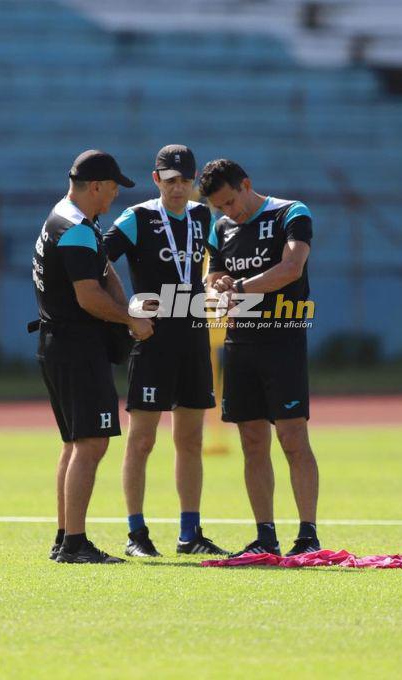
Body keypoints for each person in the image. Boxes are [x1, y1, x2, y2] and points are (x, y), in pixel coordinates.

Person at [104, 145, 228, 557]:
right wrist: (125, 312)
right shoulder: (137, 217)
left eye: (185, 181)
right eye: (170, 181)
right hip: (152, 342)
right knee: (141, 441)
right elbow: (97, 261)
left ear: (194, 183)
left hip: (193, 340)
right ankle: (136, 534)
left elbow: (219, 264)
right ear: (156, 179)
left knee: (190, 440)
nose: (178, 188)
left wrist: (218, 282)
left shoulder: (203, 217)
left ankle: (190, 534)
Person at [32, 149, 154, 564]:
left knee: (74, 443)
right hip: (76, 346)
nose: (116, 194)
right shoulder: (76, 229)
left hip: (58, 343)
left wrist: (126, 309)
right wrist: (129, 319)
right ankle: (74, 544)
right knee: (91, 443)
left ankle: (65, 537)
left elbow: (102, 270)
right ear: (97, 186)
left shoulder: (66, 218)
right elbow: (88, 296)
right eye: (114, 187)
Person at [199, 158, 321, 557]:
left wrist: (240, 288)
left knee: (292, 438)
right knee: (252, 442)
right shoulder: (221, 227)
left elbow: (292, 267)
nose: (228, 211)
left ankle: (307, 535)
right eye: (220, 206)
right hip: (239, 344)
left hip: (283, 341)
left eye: (231, 201)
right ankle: (265, 535)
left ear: (246, 185)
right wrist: (218, 287)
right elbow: (211, 277)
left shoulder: (291, 213)